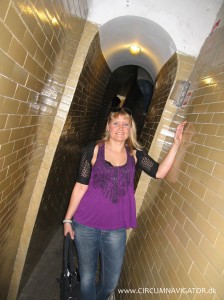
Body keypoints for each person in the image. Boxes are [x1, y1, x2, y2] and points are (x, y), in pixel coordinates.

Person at [63, 107, 186, 300]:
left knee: (110, 281)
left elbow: (159, 172)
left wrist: (176, 144)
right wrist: (67, 220)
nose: (120, 128)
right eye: (116, 123)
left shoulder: (135, 153)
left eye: (125, 124)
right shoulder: (94, 149)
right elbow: (80, 186)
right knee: (87, 276)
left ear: (131, 129)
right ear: (108, 126)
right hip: (86, 223)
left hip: (115, 227)